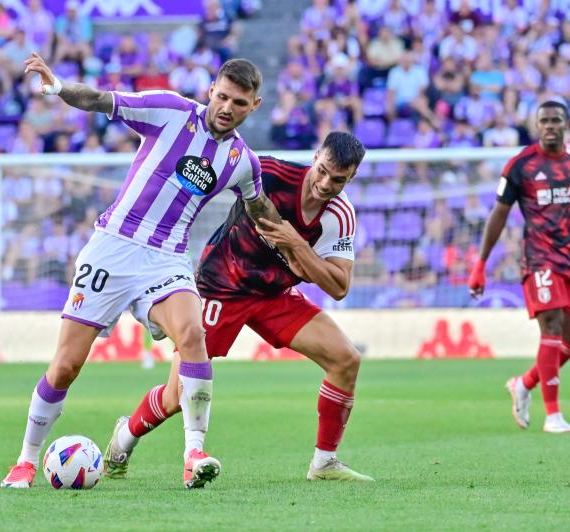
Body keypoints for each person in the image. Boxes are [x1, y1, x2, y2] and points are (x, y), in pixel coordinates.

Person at [1, 53, 285, 489]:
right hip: (113, 247)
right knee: (66, 366)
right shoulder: (170, 111)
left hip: (167, 259)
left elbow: (258, 203)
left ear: (255, 106)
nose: (227, 108)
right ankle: (25, 460)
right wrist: (58, 87)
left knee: (193, 334)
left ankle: (194, 453)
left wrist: (291, 238)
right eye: (223, 96)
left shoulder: (243, 162)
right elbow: (100, 99)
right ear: (211, 90)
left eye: (239, 103)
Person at [103, 132, 374, 482]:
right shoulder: (272, 174)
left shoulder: (339, 214)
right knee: (175, 396)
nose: (324, 184)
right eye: (321, 171)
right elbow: (215, 175)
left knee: (346, 359)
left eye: (338, 179)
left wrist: (297, 244)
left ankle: (324, 463)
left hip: (274, 295)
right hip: (222, 285)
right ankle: (124, 438)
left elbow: (339, 286)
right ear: (316, 156)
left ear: (350, 178)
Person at [468, 101, 570, 433]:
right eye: (544, 121)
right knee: (552, 327)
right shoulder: (521, 166)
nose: (550, 126)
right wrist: (481, 264)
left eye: (556, 120)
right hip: (539, 260)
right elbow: (498, 215)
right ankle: (553, 415)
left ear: (567, 124)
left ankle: (524, 383)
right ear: (536, 126)